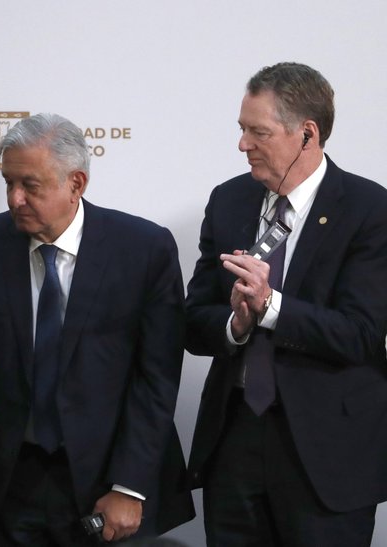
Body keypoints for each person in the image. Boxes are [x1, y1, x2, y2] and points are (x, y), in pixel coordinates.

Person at [0, 113, 195, 545]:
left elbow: (156, 378)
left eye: (30, 185)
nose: (14, 199)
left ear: (76, 183)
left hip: (110, 480)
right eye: (8, 183)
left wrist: (128, 486)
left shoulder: (143, 249)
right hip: (13, 482)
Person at [186, 62, 387, 546]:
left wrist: (270, 305)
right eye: (242, 129)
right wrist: (235, 323)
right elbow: (192, 322)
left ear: (307, 134)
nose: (242, 145)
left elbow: (360, 334)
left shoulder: (369, 209)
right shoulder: (228, 200)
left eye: (259, 132)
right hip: (233, 445)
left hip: (326, 457)